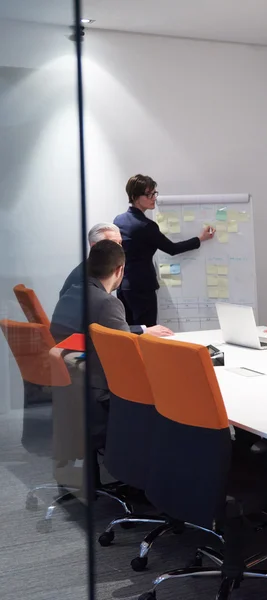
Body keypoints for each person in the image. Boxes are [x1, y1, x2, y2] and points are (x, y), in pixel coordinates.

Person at [51, 240, 173, 449]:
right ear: (120, 270)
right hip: (101, 391)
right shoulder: (107, 302)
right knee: (168, 390)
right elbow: (124, 356)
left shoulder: (72, 293)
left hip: (73, 386)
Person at [114, 174, 215, 327]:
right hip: (142, 289)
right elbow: (172, 249)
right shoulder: (146, 226)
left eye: (154, 193)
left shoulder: (119, 220)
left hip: (123, 286)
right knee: (147, 332)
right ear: (135, 196)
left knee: (129, 332)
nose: (153, 198)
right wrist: (200, 239)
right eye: (149, 194)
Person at [59, 222, 122, 298]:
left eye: (120, 243)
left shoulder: (101, 269)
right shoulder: (81, 280)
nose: (120, 248)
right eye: (113, 243)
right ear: (95, 246)